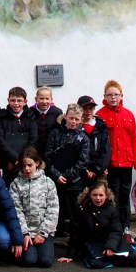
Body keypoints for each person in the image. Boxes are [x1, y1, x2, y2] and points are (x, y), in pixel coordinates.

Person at [45, 103, 90, 259]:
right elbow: (48, 156)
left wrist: (68, 175)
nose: (74, 122)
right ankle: (48, 248)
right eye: (71, 118)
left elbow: (83, 162)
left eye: (77, 119)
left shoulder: (83, 137)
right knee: (53, 215)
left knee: (75, 218)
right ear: (65, 116)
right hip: (55, 181)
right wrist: (57, 175)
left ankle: (73, 251)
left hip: (74, 183)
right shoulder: (55, 133)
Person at [95, 81, 136, 232]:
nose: (113, 97)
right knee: (112, 195)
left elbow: (134, 138)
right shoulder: (100, 116)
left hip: (126, 162)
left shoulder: (128, 114)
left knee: (125, 195)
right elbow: (99, 144)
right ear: (104, 97)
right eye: (110, 95)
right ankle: (114, 226)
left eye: (116, 94)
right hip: (111, 164)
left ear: (121, 96)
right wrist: (102, 165)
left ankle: (126, 225)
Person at [9, 147, 59, 268]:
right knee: (29, 261)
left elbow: (53, 210)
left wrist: (43, 233)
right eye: (24, 165)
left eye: (30, 165)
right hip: (26, 232)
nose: (27, 169)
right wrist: (24, 233)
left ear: (37, 163)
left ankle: (43, 247)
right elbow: (16, 210)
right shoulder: (16, 183)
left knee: (45, 261)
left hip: (43, 231)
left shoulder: (48, 182)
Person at [74, 179, 136, 269]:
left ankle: (127, 255)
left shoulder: (111, 209)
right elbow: (76, 231)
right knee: (93, 263)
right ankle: (119, 262)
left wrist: (110, 247)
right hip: (92, 244)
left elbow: (116, 230)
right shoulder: (83, 209)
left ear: (106, 196)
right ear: (89, 195)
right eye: (95, 195)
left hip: (109, 240)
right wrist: (70, 255)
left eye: (101, 195)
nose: (98, 198)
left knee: (133, 254)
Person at [0, 86, 38, 186]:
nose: (16, 103)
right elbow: (0, 140)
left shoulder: (31, 117)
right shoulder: (2, 118)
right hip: (8, 163)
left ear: (25, 101)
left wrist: (21, 160)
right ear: (8, 100)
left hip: (25, 163)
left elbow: (33, 140)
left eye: (19, 100)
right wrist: (13, 159)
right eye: (13, 100)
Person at [77, 94, 111, 181]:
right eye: (85, 108)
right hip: (79, 171)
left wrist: (97, 169)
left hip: (98, 171)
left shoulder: (101, 126)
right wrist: (83, 169)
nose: (88, 111)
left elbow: (105, 151)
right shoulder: (75, 126)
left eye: (91, 108)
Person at [31, 86, 62, 156]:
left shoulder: (57, 112)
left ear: (51, 99)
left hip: (52, 149)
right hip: (35, 150)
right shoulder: (30, 112)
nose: (44, 102)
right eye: (41, 98)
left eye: (47, 99)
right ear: (36, 99)